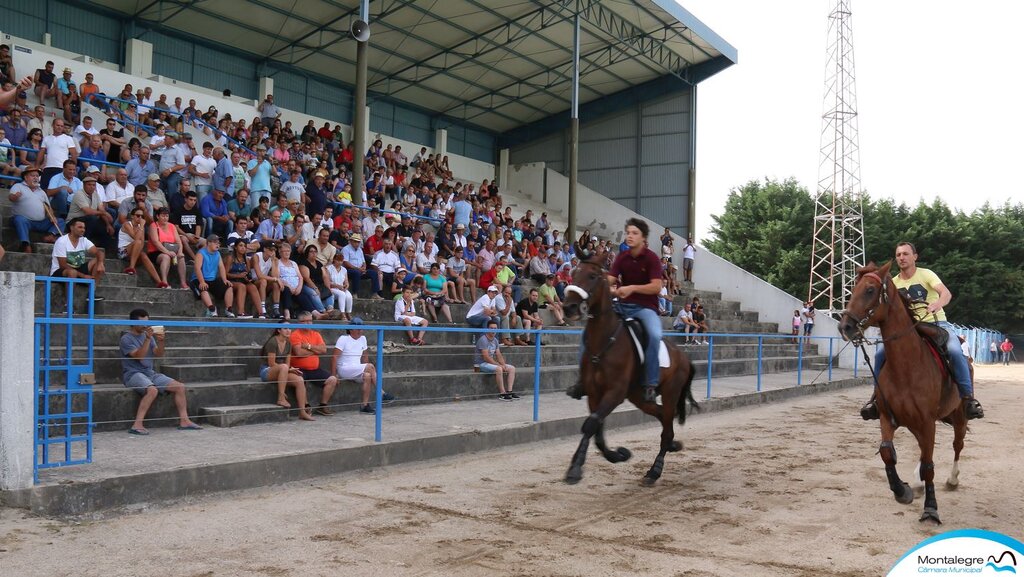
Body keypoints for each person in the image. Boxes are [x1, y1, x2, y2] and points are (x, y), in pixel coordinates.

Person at [860, 242, 984, 420]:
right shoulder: (893, 283)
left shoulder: (926, 274)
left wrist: (937, 304)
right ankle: (876, 400)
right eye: (898, 255)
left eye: (905, 254)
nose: (901, 257)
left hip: (937, 324)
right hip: (908, 330)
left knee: (956, 352)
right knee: (880, 354)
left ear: (914, 257)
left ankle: (968, 399)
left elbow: (946, 294)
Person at [606, 218, 664, 402]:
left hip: (645, 308)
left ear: (643, 238)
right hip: (622, 306)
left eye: (634, 233)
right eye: (628, 232)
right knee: (592, 329)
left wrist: (631, 288)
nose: (629, 236)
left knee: (655, 336)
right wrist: (603, 288)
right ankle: (585, 379)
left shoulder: (652, 258)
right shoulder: (621, 257)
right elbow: (609, 280)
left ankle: (650, 384)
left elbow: (656, 287)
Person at [120, 308, 201, 434]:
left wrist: (161, 341)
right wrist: (147, 339)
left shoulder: (149, 336)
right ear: (133, 323)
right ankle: (137, 425)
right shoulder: (126, 339)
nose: (145, 325)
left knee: (179, 387)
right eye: (142, 323)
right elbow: (139, 356)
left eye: (147, 322)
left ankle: (184, 421)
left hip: (149, 373)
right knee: (152, 390)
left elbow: (158, 353)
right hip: (132, 374)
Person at [331, 317, 397, 415]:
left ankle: (364, 406)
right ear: (350, 329)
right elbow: (334, 357)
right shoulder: (343, 339)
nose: (360, 331)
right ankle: (382, 393)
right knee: (370, 367)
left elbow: (365, 356)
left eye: (361, 329)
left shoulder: (363, 339)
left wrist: (366, 368)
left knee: (367, 376)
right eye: (358, 329)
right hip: (344, 368)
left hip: (356, 368)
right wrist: (334, 375)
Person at [260, 323, 314, 421]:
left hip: (283, 370)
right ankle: (281, 398)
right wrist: (287, 369)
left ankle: (302, 412)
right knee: (284, 367)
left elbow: (287, 363)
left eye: (290, 328)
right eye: (285, 328)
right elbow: (271, 364)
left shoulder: (288, 343)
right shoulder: (272, 342)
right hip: (267, 371)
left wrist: (290, 369)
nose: (288, 330)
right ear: (279, 330)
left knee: (299, 380)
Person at [289, 311, 339, 416]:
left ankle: (322, 405)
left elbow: (324, 350)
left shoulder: (316, 334)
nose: (308, 323)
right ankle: (306, 406)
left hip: (315, 369)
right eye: (305, 321)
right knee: (300, 380)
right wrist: (315, 350)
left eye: (310, 321)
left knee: (333, 379)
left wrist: (308, 346)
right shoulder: (295, 335)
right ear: (299, 322)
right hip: (299, 368)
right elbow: (299, 353)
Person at [8, 167, 63, 253]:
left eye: (37, 176)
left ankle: (51, 235)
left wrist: (52, 216)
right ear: (26, 177)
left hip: (40, 223)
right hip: (25, 221)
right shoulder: (18, 186)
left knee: (60, 221)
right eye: (32, 176)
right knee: (19, 219)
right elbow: (11, 198)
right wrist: (15, 197)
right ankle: (25, 244)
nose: (35, 178)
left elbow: (48, 208)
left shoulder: (41, 192)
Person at [191, 234, 235, 317]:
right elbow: (197, 268)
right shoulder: (201, 253)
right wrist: (202, 281)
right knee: (203, 288)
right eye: (215, 243)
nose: (218, 245)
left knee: (228, 287)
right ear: (208, 243)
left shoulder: (217, 254)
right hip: (198, 279)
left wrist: (224, 279)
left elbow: (221, 267)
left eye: (218, 243)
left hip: (212, 279)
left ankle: (228, 309)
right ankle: (212, 309)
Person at [50, 218, 105, 285]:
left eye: (84, 228)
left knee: (98, 259)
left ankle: (92, 292)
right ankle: (69, 295)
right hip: (60, 271)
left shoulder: (84, 240)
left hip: (78, 270)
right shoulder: (62, 241)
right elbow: (63, 265)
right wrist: (83, 276)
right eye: (80, 227)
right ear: (71, 228)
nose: (83, 230)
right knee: (73, 272)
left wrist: (100, 263)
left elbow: (99, 252)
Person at [475, 321, 518, 401]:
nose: (493, 330)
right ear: (487, 329)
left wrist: (503, 364)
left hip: (490, 363)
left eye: (495, 328)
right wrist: (498, 365)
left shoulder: (495, 340)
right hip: (481, 364)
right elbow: (486, 357)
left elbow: (498, 354)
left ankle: (509, 391)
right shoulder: (483, 340)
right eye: (491, 328)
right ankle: (502, 393)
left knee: (512, 368)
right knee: (499, 369)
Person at [325, 252, 354, 321]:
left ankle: (348, 313)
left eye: (341, 261)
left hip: (341, 288)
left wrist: (346, 286)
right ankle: (342, 313)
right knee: (342, 294)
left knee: (349, 296)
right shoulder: (329, 268)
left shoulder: (344, 270)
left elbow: (346, 281)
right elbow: (328, 282)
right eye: (338, 260)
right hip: (332, 288)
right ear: (334, 260)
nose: (339, 262)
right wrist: (338, 286)